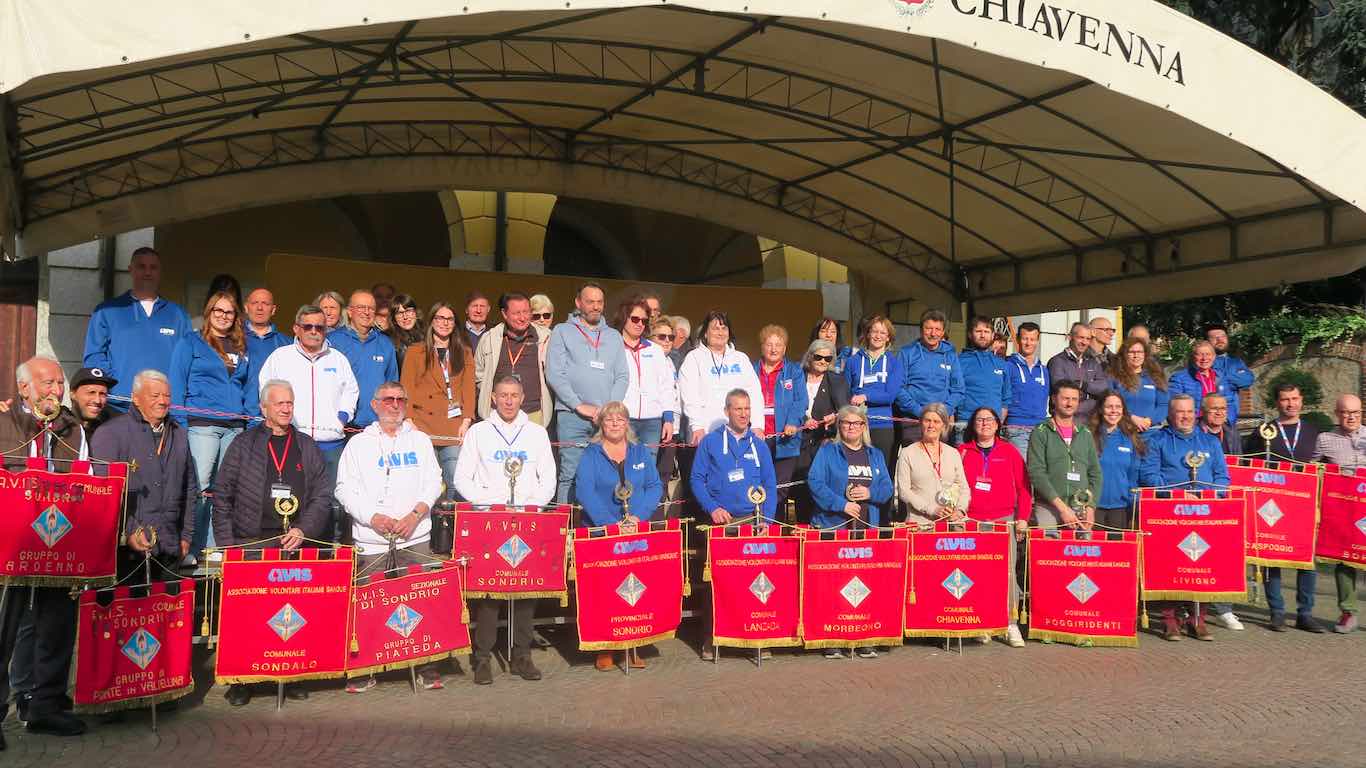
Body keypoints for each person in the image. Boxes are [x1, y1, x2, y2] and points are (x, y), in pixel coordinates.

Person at [212, 379, 331, 706]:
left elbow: (322, 494)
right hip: (251, 542)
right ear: (263, 408)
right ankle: (241, 680)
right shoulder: (243, 444)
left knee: (290, 614)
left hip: (294, 544)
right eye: (279, 403)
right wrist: (227, 546)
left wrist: (304, 529)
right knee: (246, 617)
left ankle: (289, 673)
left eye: (290, 403)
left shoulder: (306, 445)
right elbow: (222, 496)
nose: (286, 408)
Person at [0, 357, 89, 739]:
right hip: (10, 546)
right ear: (24, 388)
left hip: (59, 542)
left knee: (57, 626)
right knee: (3, 631)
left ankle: (46, 706)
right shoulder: (4, 421)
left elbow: (84, 480)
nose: (55, 389)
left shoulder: (73, 426)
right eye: (47, 382)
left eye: (58, 383)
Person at [336, 381, 444, 693]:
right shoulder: (358, 445)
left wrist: (415, 514)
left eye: (399, 400)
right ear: (374, 404)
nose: (394, 405)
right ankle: (366, 667)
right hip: (372, 538)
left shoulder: (420, 441)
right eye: (387, 399)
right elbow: (343, 488)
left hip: (415, 535)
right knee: (371, 607)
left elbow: (434, 481)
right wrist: (373, 518)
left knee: (420, 604)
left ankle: (427, 665)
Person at [454, 374, 556, 686]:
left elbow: (548, 479)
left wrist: (530, 507)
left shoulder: (537, 433)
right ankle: (482, 657)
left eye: (514, 394)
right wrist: (492, 503)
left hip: (526, 521)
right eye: (503, 395)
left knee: (525, 590)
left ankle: (521, 654)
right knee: (489, 593)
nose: (509, 401)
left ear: (522, 397)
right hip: (491, 521)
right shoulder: (479, 433)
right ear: (493, 399)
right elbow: (462, 479)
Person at [574, 402, 665, 671]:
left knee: (634, 589)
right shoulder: (591, 454)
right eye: (609, 420)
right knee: (605, 592)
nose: (614, 424)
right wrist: (611, 524)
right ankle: (605, 647)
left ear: (627, 423)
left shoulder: (640, 452)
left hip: (635, 530)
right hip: (603, 533)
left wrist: (638, 517)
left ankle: (633, 645)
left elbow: (654, 486)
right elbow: (584, 491)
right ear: (601, 424)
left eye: (620, 419)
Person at [258, 305, 360, 540]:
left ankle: (332, 548)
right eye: (308, 326)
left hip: (330, 443)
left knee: (332, 499)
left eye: (320, 327)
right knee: (292, 497)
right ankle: (291, 545)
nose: (314, 331)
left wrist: (342, 417)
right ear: (296, 328)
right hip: (293, 442)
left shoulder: (338, 359)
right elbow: (266, 390)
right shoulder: (280, 357)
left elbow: (350, 391)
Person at [1138, 393, 1229, 641]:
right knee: (1170, 566)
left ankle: (1197, 619)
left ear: (1196, 412)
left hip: (1205, 514)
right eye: (1180, 412)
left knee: (1202, 566)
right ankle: (1170, 620)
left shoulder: (1210, 442)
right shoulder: (1157, 441)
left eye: (1189, 411)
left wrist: (1209, 496)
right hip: (1171, 514)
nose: (1185, 416)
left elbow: (1223, 477)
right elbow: (1149, 476)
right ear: (1170, 414)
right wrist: (1178, 496)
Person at [170, 291, 251, 561]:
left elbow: (245, 384)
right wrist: (180, 422)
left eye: (229, 312)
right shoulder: (190, 342)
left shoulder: (241, 345)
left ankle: (214, 546)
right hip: (202, 425)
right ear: (209, 313)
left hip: (234, 426)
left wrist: (246, 418)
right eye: (218, 311)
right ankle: (191, 546)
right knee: (200, 486)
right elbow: (177, 382)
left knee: (225, 489)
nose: (223, 316)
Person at [546, 283, 629, 503]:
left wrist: (608, 408)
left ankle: (595, 529)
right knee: (569, 475)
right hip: (572, 416)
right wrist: (578, 404)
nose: (595, 307)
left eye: (599, 302)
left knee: (604, 475)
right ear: (578, 303)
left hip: (606, 418)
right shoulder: (562, 331)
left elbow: (622, 376)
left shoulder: (613, 336)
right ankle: (566, 530)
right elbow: (555, 373)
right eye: (590, 301)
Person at [83, 246, 193, 411]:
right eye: (141, 266)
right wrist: (116, 382)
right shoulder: (107, 311)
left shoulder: (178, 315)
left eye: (153, 267)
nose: (147, 272)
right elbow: (93, 357)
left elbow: (188, 362)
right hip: (119, 407)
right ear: (131, 270)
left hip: (164, 408)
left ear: (160, 272)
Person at [957, 406, 1029, 648]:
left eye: (989, 419)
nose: (984, 423)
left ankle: (1010, 623)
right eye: (979, 419)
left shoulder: (1009, 452)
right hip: (972, 522)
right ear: (973, 424)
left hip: (1003, 520)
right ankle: (982, 621)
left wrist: (1023, 518)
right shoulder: (963, 452)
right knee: (975, 573)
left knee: (1007, 573)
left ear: (998, 424)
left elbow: (1024, 488)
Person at [1256, 382, 1324, 633]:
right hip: (1272, 505)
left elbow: (1322, 468)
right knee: (1272, 557)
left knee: (1307, 560)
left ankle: (1305, 613)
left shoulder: (1314, 431)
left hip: (1304, 505)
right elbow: (1251, 465)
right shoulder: (1264, 431)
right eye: (1285, 399)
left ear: (1301, 400)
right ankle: (1277, 612)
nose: (1290, 404)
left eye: (1294, 398)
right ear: (1277, 402)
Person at [400, 301, 475, 497]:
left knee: (454, 478)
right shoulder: (415, 351)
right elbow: (406, 387)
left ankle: (450, 524)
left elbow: (468, 388)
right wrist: (409, 420)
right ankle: (429, 524)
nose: (445, 323)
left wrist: (467, 420)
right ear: (432, 321)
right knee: (428, 481)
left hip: (453, 426)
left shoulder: (464, 351)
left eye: (449, 319)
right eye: (440, 318)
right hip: (422, 425)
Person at [1315, 394, 1366, 633]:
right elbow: (1312, 470)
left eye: (1355, 412)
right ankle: (1348, 612)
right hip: (1345, 511)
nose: (1351, 417)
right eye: (1346, 412)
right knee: (1345, 562)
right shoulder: (1325, 439)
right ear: (1337, 413)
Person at [691, 389, 777, 525]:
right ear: (727, 411)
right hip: (720, 520)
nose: (744, 414)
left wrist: (767, 520)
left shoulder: (760, 446)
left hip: (754, 520)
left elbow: (770, 484)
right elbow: (697, 479)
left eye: (747, 408)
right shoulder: (710, 441)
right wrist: (712, 508)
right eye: (738, 409)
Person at [1026, 380, 1102, 534]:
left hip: (1080, 507)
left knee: (1081, 554)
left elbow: (1095, 474)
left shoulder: (1085, 433)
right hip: (1049, 506)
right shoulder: (1041, 432)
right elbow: (1036, 473)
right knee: (1048, 554)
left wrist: (1091, 507)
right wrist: (1062, 508)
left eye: (1074, 399)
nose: (1070, 403)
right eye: (1065, 398)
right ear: (1054, 399)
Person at [677, 310, 764, 444]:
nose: (720, 332)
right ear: (705, 333)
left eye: (724, 328)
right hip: (705, 433)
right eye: (715, 328)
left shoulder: (741, 359)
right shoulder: (693, 358)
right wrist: (697, 426)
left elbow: (754, 394)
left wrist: (757, 425)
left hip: (738, 434)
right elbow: (689, 396)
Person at [1199, 392, 1246, 631]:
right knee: (1197, 554)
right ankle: (1194, 607)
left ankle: (1224, 609)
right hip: (1200, 501)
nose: (1219, 412)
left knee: (1224, 557)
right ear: (1203, 411)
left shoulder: (1232, 434)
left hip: (1225, 502)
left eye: (1222, 408)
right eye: (1213, 409)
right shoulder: (1197, 434)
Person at [473, 293, 554, 426]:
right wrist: (493, 393)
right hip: (496, 414)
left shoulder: (546, 338)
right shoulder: (489, 338)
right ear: (504, 314)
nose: (522, 318)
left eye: (526, 312)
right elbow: (478, 374)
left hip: (533, 414)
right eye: (516, 313)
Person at [808, 404, 893, 528]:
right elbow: (815, 482)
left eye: (857, 423)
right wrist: (842, 505)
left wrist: (870, 493)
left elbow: (887, 488)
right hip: (833, 526)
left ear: (863, 426)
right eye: (847, 422)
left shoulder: (875, 454)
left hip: (867, 526)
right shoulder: (827, 451)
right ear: (839, 425)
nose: (851, 427)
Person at [327, 289, 398, 430]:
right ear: (349, 312)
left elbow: (392, 385)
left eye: (371, 308)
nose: (366, 312)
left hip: (376, 425)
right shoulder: (333, 341)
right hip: (340, 425)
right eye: (361, 307)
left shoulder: (385, 343)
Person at [795, 339, 850, 520]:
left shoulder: (836, 380)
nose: (823, 361)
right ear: (810, 356)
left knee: (820, 487)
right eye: (818, 357)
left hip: (823, 442)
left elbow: (845, 411)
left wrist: (835, 417)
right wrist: (803, 419)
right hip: (797, 440)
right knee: (799, 489)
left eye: (828, 358)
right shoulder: (797, 375)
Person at [616, 299, 677, 458]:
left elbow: (666, 386)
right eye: (635, 319)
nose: (640, 324)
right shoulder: (613, 346)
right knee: (622, 467)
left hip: (652, 421)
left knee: (648, 468)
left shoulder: (655, 349)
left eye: (643, 320)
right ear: (624, 318)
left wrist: (668, 419)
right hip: (623, 418)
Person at [754, 325, 806, 510]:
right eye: (769, 344)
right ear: (762, 346)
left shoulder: (794, 371)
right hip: (758, 437)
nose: (774, 349)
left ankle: (771, 526)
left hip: (785, 438)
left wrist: (792, 422)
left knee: (779, 488)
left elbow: (800, 401)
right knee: (757, 486)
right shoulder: (751, 370)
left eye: (778, 345)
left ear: (785, 348)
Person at [896, 402, 970, 530]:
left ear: (944, 426)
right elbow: (904, 492)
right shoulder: (908, 453)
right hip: (920, 524)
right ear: (921, 423)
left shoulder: (953, 453)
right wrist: (931, 509)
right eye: (927, 421)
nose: (931, 425)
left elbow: (964, 488)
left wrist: (960, 511)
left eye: (936, 422)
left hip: (949, 525)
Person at [845, 314, 903, 475]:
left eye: (882, 333)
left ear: (888, 338)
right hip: (856, 423)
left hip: (882, 425)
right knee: (857, 471)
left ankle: (883, 501)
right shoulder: (853, 361)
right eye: (874, 331)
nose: (878, 336)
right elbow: (846, 391)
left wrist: (865, 396)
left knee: (881, 471)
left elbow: (890, 396)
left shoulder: (894, 363)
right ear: (867, 334)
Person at [895, 309, 963, 445]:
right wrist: (920, 412)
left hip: (940, 421)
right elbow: (898, 388)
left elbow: (958, 390)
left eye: (938, 329)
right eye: (929, 328)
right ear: (921, 330)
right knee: (915, 463)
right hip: (914, 420)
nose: (933, 333)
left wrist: (944, 412)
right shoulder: (907, 352)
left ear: (943, 332)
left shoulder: (950, 354)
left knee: (939, 464)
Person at [1090, 392, 1144, 531]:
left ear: (1123, 410)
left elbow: (1133, 475)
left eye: (1118, 407)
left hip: (1120, 506)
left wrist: (1132, 503)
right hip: (1093, 506)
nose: (1114, 411)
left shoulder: (1130, 438)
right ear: (1101, 409)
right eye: (1109, 407)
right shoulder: (1088, 436)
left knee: (1117, 551)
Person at [956, 316, 1011, 445]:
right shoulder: (959, 361)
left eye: (986, 332)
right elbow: (953, 392)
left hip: (992, 428)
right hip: (965, 425)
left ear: (992, 335)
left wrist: (997, 422)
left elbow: (1006, 399)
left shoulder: (1001, 364)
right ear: (970, 334)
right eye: (978, 331)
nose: (982, 335)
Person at [242, 288, 291, 416]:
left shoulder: (287, 344)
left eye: (265, 304)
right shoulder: (234, 340)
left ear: (273, 309)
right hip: (239, 418)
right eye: (255, 303)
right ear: (246, 308)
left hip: (275, 417)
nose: (259, 308)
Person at [1003, 322, 1048, 456]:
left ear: (1037, 341)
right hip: (1016, 428)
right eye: (1025, 338)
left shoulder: (1043, 369)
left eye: (1032, 339)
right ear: (1017, 339)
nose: (1028, 343)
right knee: (1021, 472)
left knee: (1037, 472)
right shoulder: (1008, 365)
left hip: (1040, 429)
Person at [1046, 323, 1108, 420]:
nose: (1084, 342)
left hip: (1091, 422)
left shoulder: (1093, 362)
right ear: (1070, 337)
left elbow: (1104, 387)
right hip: (1065, 421)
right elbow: (1063, 394)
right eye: (1081, 337)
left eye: (1088, 339)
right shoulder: (1057, 362)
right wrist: (1092, 397)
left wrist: (1084, 385)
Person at [1107, 337, 1169, 432]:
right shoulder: (1114, 377)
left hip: (1150, 431)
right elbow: (1109, 405)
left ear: (1145, 354)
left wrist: (1149, 421)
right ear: (1124, 354)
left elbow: (1163, 404)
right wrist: (1132, 418)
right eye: (1131, 352)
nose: (1136, 355)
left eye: (1140, 352)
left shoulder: (1155, 377)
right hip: (1122, 430)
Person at [1205, 323, 1255, 426]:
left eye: (1222, 336)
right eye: (1214, 337)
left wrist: (1220, 377)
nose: (1219, 340)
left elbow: (1247, 380)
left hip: (1230, 420)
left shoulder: (1236, 362)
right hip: (1207, 420)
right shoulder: (1202, 363)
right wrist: (1233, 378)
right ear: (1207, 342)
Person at [1167, 341, 1232, 419]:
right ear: (1193, 357)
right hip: (1194, 425)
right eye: (1200, 354)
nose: (1204, 358)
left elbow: (1230, 403)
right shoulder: (1179, 378)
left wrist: (1228, 421)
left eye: (1208, 354)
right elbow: (1174, 405)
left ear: (1214, 356)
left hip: (1218, 424)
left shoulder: (1221, 377)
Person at [386, 294, 424, 369]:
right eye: (400, 313)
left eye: (408, 311)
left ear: (416, 313)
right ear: (394, 319)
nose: (405, 317)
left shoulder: (426, 336)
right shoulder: (387, 339)